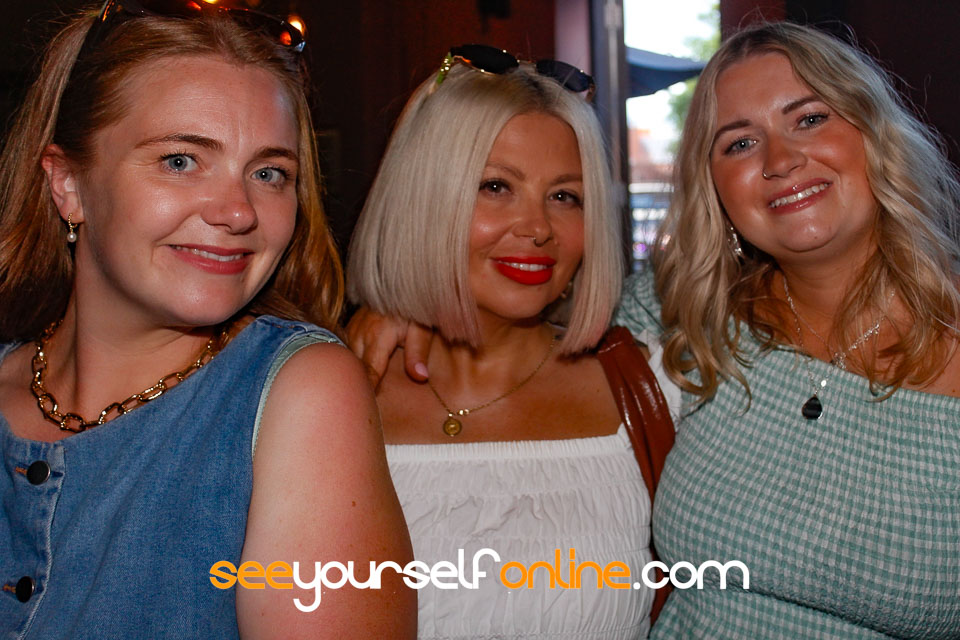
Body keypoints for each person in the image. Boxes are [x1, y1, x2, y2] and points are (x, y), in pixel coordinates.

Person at [351, 22, 960, 639]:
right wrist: (405, 301)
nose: (780, 161)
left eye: (809, 119)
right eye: (740, 143)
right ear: (715, 189)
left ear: (876, 133)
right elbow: (520, 300)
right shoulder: (685, 322)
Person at [0, 3, 415, 638]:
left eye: (269, 173)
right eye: (181, 160)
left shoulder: (298, 393)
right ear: (69, 185)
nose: (239, 211)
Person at [347, 45, 664, 639]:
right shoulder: (317, 394)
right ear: (421, 201)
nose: (538, 227)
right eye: (496, 186)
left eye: (565, 196)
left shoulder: (653, 390)